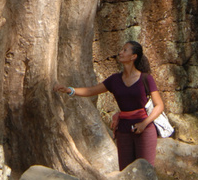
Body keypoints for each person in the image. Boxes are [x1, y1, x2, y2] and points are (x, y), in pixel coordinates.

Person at [54, 41, 165, 170]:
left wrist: (144, 124)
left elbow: (159, 105)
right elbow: (91, 91)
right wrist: (69, 90)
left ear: (133, 56)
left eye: (125, 50)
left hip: (145, 131)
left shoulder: (146, 78)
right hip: (124, 130)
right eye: (121, 50)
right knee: (126, 172)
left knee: (146, 171)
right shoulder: (114, 80)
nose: (120, 53)